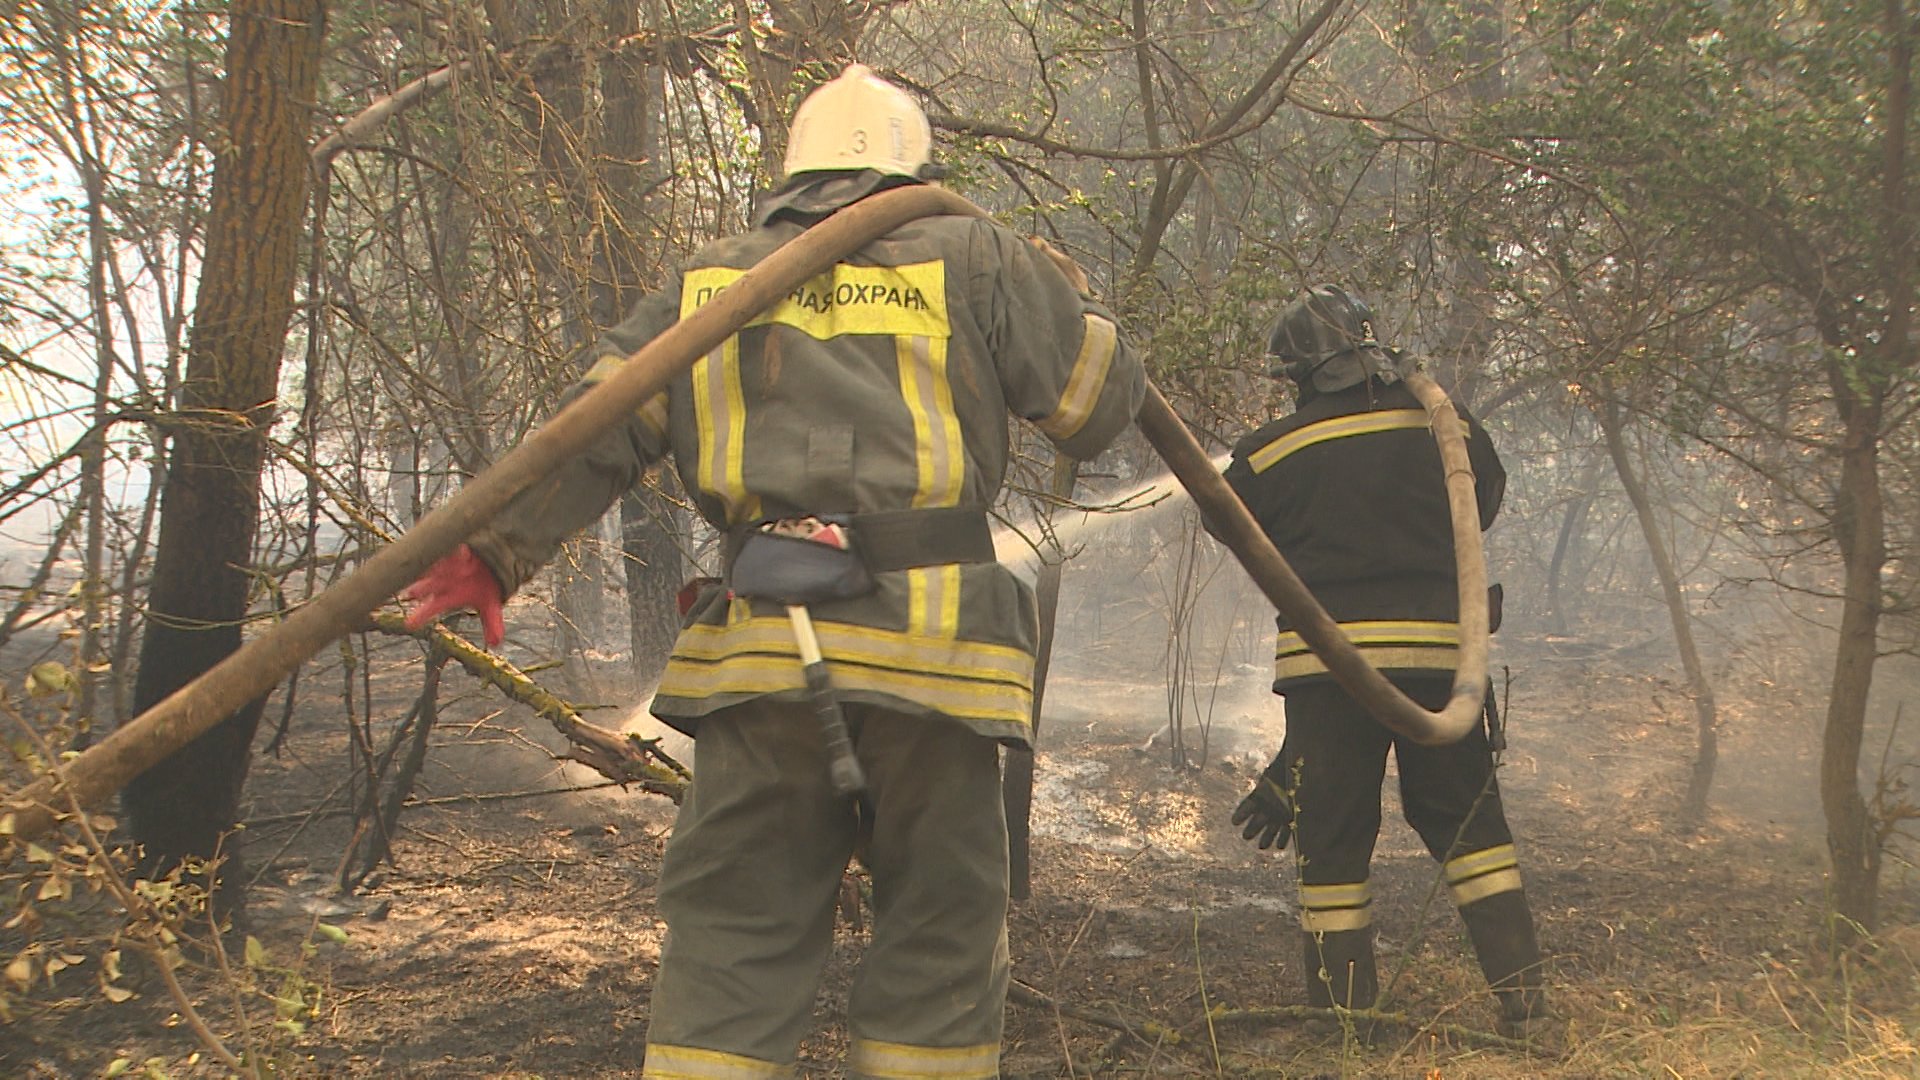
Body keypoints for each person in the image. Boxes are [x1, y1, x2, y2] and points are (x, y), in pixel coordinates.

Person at [401, 64, 1144, 1079]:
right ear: (911, 166)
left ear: (795, 170)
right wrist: (1065, 295)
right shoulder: (972, 252)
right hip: (938, 663)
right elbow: (1091, 406)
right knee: (938, 933)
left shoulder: (714, 280)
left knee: (733, 939)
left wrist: (493, 553)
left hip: (765, 656)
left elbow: (599, 420)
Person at [1217, 285, 1551, 1038]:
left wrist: (1297, 755)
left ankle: (1344, 1026)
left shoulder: (1268, 452)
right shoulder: (1449, 426)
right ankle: (1526, 1003)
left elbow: (1234, 527)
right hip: (1443, 663)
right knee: (1474, 832)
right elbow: (1482, 502)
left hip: (1329, 674)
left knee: (1331, 839)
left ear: (1301, 372)